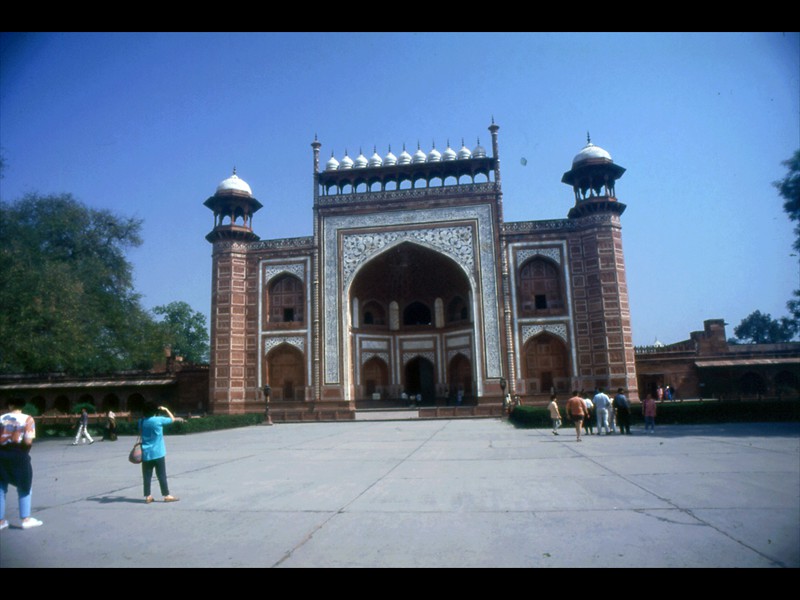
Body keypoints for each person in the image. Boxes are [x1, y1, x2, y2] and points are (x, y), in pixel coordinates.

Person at [0, 399, 44, 530]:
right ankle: (25, 519)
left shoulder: (1, 418)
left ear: (10, 405)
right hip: (19, 453)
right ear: (22, 406)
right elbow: (28, 441)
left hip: (1, 453)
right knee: (24, 485)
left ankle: (0, 521)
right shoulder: (28, 419)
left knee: (1, 487)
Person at [139, 401, 181, 503]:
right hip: (158, 453)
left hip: (146, 453)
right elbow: (172, 419)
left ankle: (148, 496)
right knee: (161, 475)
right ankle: (166, 495)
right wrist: (166, 409)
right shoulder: (158, 420)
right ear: (155, 410)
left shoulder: (141, 421)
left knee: (147, 476)